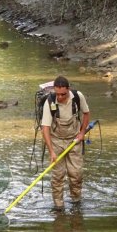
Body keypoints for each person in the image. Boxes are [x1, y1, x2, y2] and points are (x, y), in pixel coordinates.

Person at [41, 76, 90, 211]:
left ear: (68, 90)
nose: (60, 97)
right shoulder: (49, 102)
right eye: (57, 94)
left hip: (74, 140)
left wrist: (82, 133)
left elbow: (86, 113)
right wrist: (51, 152)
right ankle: (58, 206)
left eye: (63, 94)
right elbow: (45, 128)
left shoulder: (77, 97)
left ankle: (76, 202)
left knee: (76, 174)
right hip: (56, 141)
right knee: (57, 177)